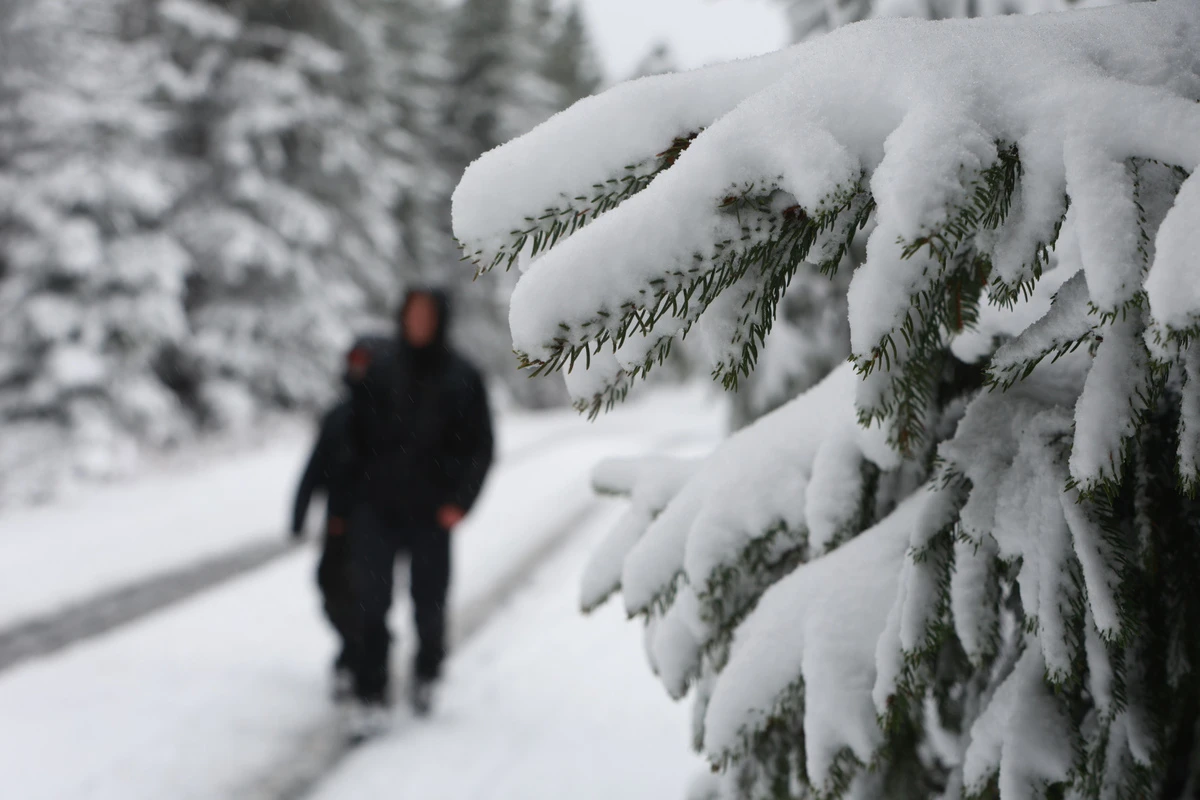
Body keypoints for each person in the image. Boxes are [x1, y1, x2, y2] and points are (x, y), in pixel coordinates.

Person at [345, 288, 494, 721]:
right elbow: (351, 433)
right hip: (377, 508)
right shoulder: (381, 368)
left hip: (433, 512)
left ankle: (428, 673)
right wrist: (351, 497)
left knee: (429, 603)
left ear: (441, 320)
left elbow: (481, 447)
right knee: (371, 602)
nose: (420, 322)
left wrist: (460, 502)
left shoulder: (463, 375)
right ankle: (369, 691)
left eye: (428, 315)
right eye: (413, 314)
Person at [291, 336, 390, 699]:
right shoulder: (337, 415)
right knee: (332, 590)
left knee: (369, 598)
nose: (359, 370)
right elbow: (315, 467)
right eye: (355, 362)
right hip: (338, 526)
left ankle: (366, 668)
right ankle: (352, 649)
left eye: (367, 362)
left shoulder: (393, 414)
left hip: (379, 528)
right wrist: (299, 513)